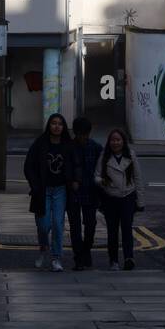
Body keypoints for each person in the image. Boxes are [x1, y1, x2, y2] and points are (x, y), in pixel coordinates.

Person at [24, 112, 76, 271]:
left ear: (63, 127)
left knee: (58, 224)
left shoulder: (68, 144)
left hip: (61, 189)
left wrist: (75, 181)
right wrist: (35, 185)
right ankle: (43, 249)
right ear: (49, 125)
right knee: (43, 225)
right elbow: (29, 166)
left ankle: (56, 258)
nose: (57, 126)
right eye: (54, 123)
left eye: (60, 124)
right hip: (43, 190)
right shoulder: (40, 143)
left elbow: (75, 165)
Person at [94, 126, 145, 270]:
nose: (115, 143)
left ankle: (129, 258)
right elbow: (96, 176)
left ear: (123, 141)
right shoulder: (104, 156)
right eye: (113, 140)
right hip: (110, 198)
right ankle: (114, 260)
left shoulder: (131, 156)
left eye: (118, 140)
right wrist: (102, 181)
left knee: (127, 229)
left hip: (127, 197)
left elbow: (138, 179)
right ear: (109, 142)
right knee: (112, 231)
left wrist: (140, 202)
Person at [67, 116, 103, 271]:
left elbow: (102, 168)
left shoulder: (95, 147)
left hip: (91, 191)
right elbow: (65, 169)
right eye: (80, 134)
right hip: (73, 193)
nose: (83, 137)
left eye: (86, 134)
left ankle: (86, 249)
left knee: (91, 224)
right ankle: (78, 259)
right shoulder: (69, 147)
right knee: (75, 228)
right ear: (75, 133)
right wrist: (71, 181)